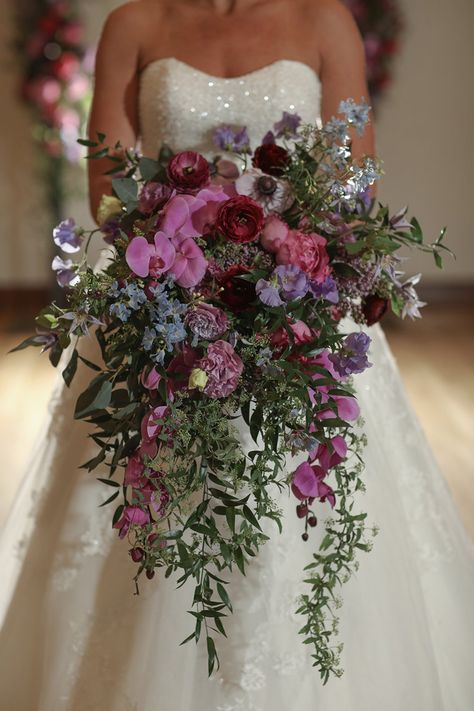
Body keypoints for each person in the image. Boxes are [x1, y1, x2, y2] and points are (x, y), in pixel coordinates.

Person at [1, 1, 473, 709]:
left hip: (297, 309)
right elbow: (108, 189)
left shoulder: (323, 21)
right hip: (167, 307)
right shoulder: (136, 21)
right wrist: (197, 255)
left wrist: (273, 257)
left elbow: (356, 184)